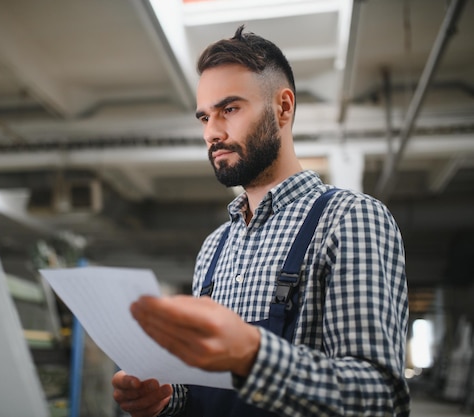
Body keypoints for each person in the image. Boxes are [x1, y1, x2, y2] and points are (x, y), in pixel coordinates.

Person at [112, 25, 410, 417]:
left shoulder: (350, 220)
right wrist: (170, 396)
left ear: (283, 107)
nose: (212, 133)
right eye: (204, 117)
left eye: (229, 109)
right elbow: (211, 388)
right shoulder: (215, 247)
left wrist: (254, 356)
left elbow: (380, 398)